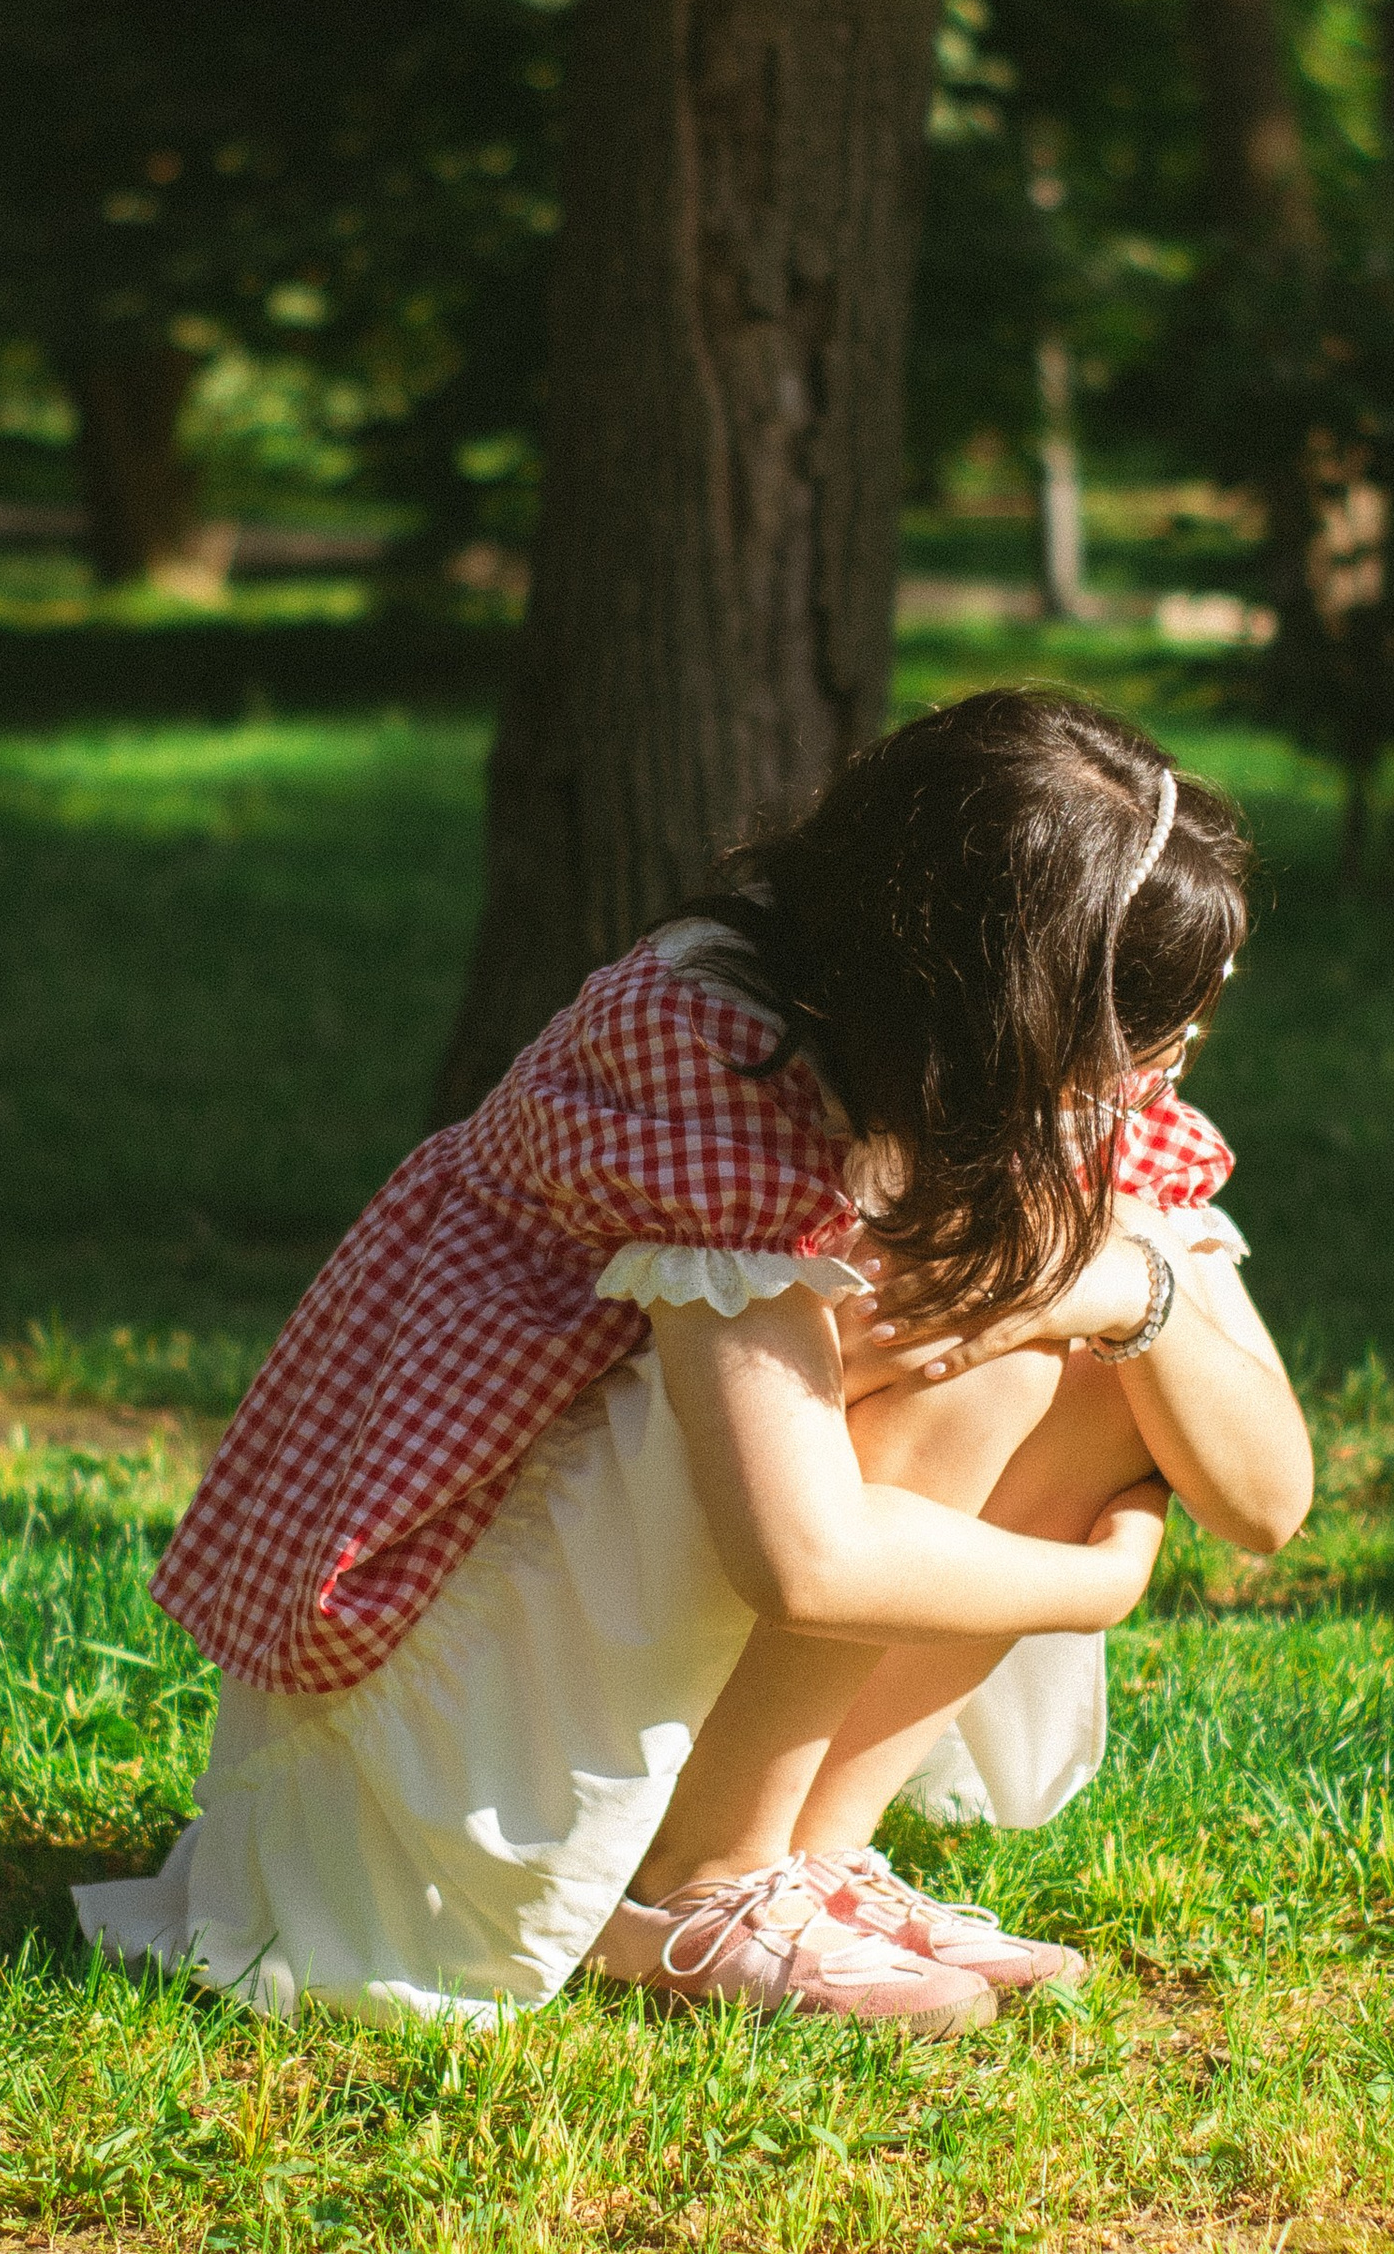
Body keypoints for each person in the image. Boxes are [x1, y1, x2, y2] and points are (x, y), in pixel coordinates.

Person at [75, 689, 1313, 2036]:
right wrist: (1099, 1583)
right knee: (998, 1353)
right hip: (472, 1657)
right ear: (1004, 991)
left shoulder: (1047, 1078)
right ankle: (697, 1880)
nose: (1176, 1057)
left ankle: (806, 1862)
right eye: (1140, 1028)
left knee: (1086, 1338)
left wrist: (1129, 1286)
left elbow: (1264, 1500)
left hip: (660, 1571)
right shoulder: (712, 1044)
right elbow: (804, 1558)